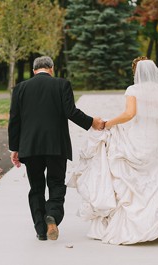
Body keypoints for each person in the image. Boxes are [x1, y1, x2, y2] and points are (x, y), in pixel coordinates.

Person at [68, 58, 158, 245]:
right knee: (157, 177)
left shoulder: (133, 90)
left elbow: (129, 114)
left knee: (135, 180)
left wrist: (107, 124)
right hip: (156, 138)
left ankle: (136, 225)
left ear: (136, 72)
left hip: (138, 137)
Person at [8, 56, 105, 241]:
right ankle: (52, 215)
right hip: (56, 145)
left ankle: (40, 229)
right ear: (51, 68)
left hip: (30, 146)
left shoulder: (20, 88)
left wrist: (15, 148)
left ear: (34, 70)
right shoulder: (62, 84)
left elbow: (14, 120)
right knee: (56, 183)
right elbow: (71, 112)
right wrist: (92, 122)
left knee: (36, 187)